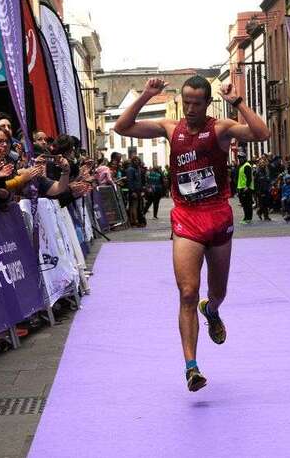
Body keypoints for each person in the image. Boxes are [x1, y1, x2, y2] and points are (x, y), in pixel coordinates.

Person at [113, 76, 269, 391]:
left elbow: (262, 132)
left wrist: (237, 101)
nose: (191, 108)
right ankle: (191, 367)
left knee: (218, 292)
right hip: (186, 217)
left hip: (217, 214)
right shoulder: (172, 128)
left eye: (197, 103)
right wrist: (146, 95)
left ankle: (211, 310)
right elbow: (122, 127)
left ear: (207, 102)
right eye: (187, 102)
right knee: (187, 292)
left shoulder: (221, 129)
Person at [236, 154, 254, 224]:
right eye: (239, 158)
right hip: (241, 187)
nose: (240, 159)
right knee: (244, 204)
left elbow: (249, 177)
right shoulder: (241, 166)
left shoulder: (247, 166)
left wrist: (247, 186)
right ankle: (246, 217)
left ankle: (248, 218)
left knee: (247, 204)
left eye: (241, 158)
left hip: (246, 188)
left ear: (244, 158)